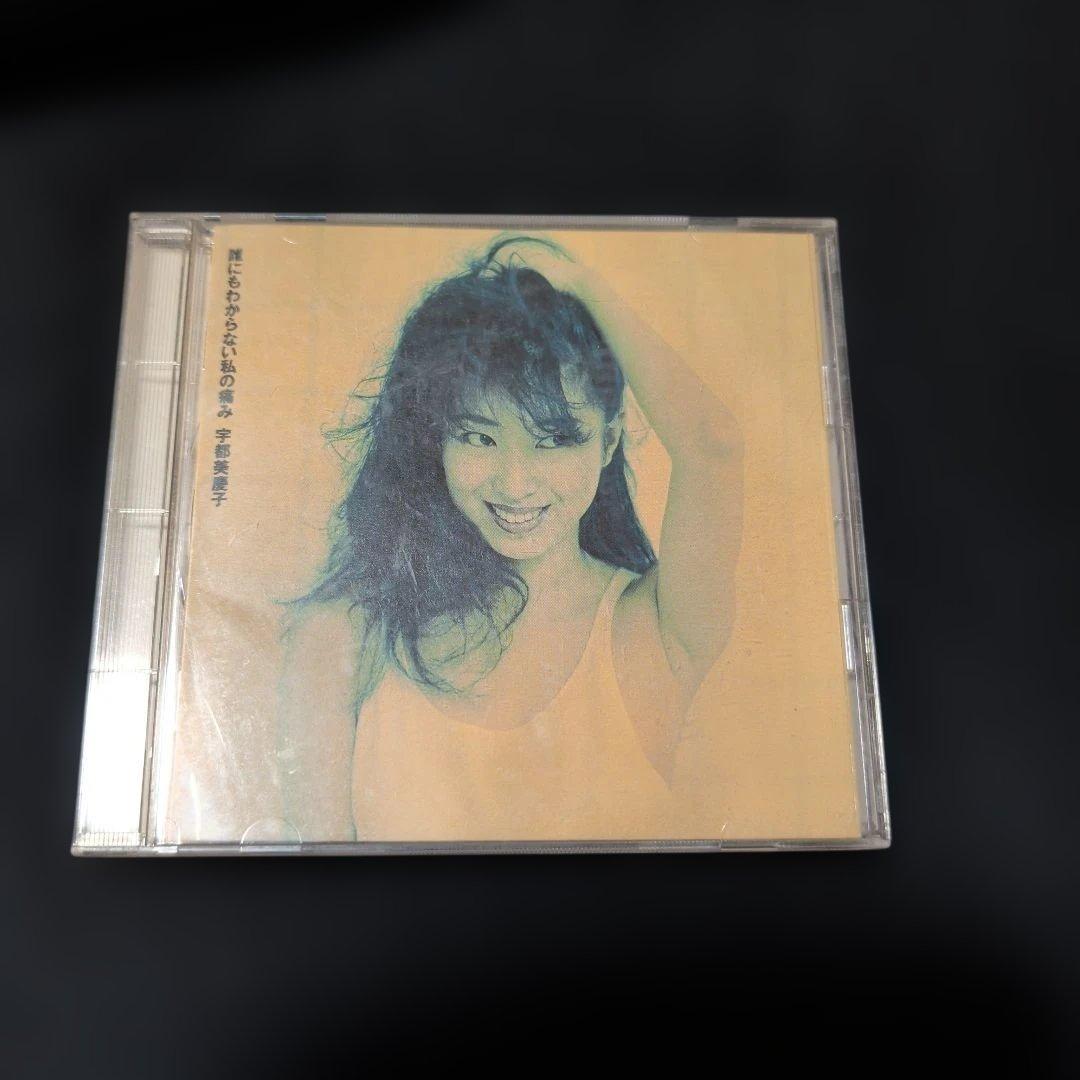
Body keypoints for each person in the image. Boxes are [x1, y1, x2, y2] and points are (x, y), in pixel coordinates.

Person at [278, 235, 743, 841]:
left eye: (554, 439)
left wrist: (583, 286)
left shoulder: (653, 626)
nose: (516, 483)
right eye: (479, 437)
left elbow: (714, 445)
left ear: (608, 441)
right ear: (437, 440)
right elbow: (322, 885)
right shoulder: (342, 638)